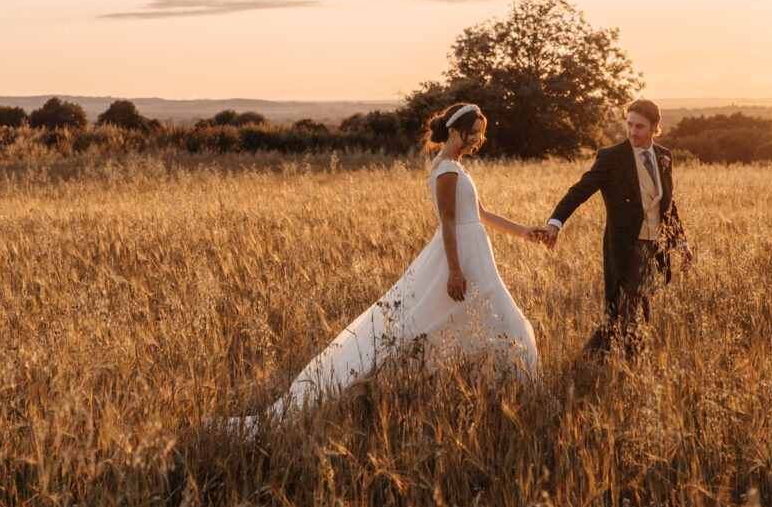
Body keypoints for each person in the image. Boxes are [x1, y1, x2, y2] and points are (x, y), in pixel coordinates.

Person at [232, 103, 543, 432]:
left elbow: (481, 214)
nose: (478, 140)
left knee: (488, 318)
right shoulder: (447, 170)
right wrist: (454, 270)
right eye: (474, 132)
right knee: (492, 321)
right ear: (454, 131)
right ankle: (514, 394)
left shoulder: (458, 166)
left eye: (481, 133)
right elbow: (448, 225)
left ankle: (504, 393)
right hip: (461, 256)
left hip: (476, 254)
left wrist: (523, 231)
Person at [537, 99, 693, 356]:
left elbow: (667, 205)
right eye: (629, 125)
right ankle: (634, 365)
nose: (632, 132)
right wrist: (555, 223)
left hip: (656, 247)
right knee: (631, 310)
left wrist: (681, 242)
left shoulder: (664, 156)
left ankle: (589, 362)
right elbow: (580, 190)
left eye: (639, 126)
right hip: (626, 246)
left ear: (655, 127)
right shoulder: (612, 157)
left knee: (629, 310)